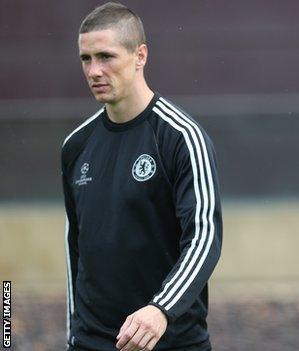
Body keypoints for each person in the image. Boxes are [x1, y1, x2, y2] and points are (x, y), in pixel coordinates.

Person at [62, 3, 222, 350]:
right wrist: (74, 334)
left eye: (106, 56)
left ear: (140, 56)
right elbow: (76, 245)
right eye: (85, 59)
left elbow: (204, 238)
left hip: (169, 339)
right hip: (93, 342)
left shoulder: (181, 137)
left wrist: (160, 310)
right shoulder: (75, 146)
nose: (94, 71)